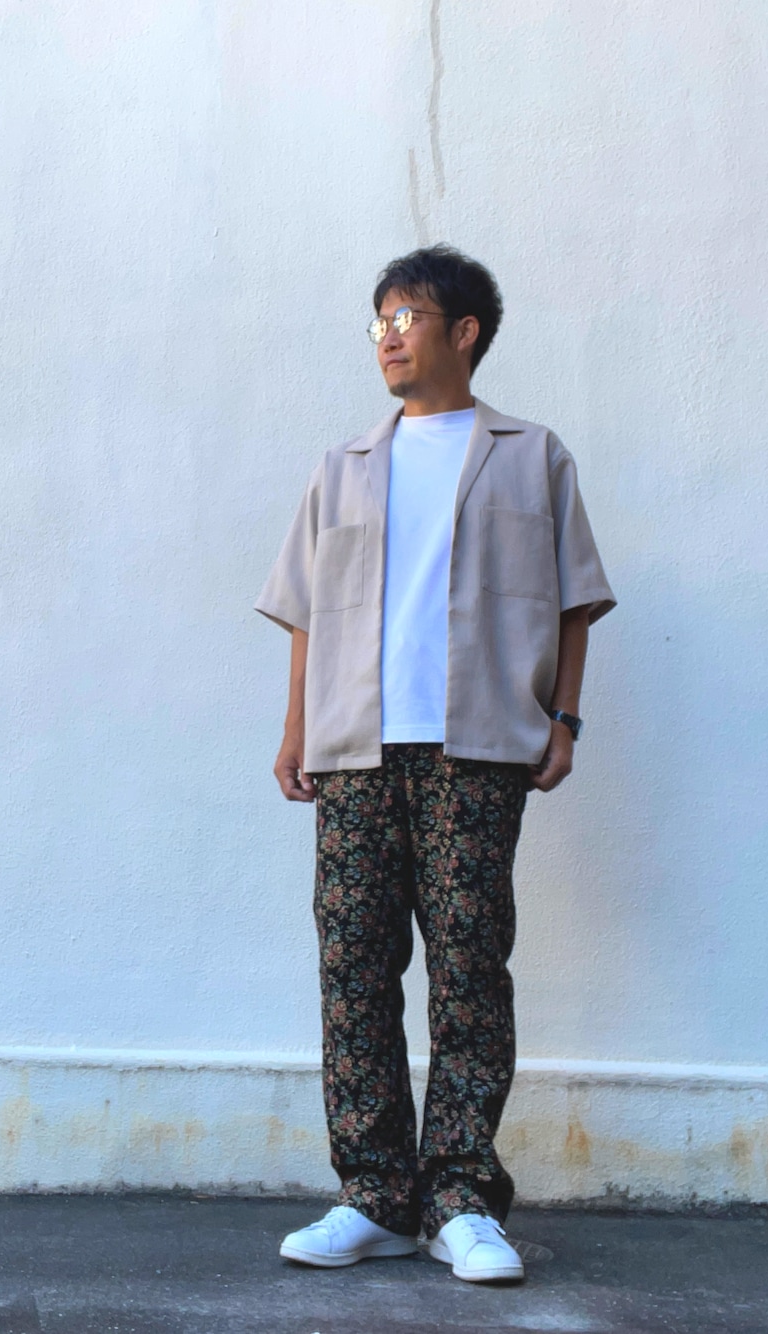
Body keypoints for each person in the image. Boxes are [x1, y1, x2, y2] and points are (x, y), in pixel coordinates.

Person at [254, 245, 615, 1284]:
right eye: (378, 322)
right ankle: (375, 1195)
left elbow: (574, 601)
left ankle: (459, 1196)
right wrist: (294, 728)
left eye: (405, 317)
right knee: (354, 968)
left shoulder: (532, 455)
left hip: (478, 748)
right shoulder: (342, 466)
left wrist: (565, 720)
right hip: (354, 749)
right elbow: (306, 614)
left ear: (464, 331)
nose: (387, 337)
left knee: (468, 967)